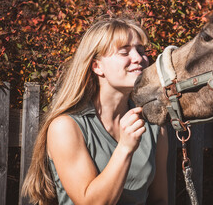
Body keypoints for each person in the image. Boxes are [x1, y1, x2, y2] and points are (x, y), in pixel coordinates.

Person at [22, 16, 168, 205]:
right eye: (124, 52)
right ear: (97, 66)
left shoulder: (154, 126)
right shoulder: (66, 127)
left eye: (141, 51)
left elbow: (160, 199)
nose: (139, 59)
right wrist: (124, 148)